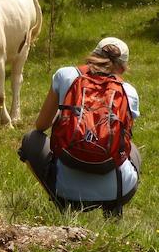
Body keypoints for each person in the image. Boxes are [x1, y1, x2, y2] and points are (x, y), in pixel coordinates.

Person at [18, 37, 141, 217]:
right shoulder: (129, 91)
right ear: (122, 68)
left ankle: (59, 199)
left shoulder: (65, 75)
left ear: (93, 56)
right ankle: (112, 209)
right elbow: (124, 139)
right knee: (134, 150)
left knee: (31, 138)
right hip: (118, 191)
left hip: (65, 189)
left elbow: (41, 125)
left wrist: (68, 119)